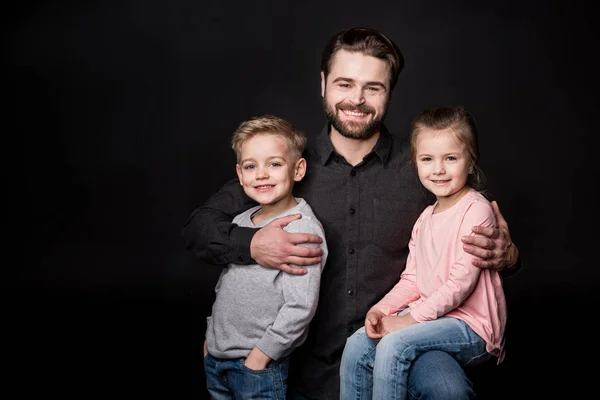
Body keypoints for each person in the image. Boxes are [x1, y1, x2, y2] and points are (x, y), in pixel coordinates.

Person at [182, 27, 520, 400]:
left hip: (401, 334)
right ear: (323, 84)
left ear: (389, 93)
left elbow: (477, 241)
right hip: (302, 352)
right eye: (345, 84)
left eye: (373, 87)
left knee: (448, 389)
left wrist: (507, 256)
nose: (357, 99)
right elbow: (199, 227)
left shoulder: (425, 166)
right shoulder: (285, 166)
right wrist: (253, 243)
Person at [339, 105, 507, 400]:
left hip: (472, 326)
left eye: (450, 158)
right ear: (415, 162)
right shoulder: (426, 218)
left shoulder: (475, 209)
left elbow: (460, 285)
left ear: (470, 162)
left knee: (394, 344)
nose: (438, 169)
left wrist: (408, 320)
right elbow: (412, 279)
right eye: (427, 159)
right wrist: (381, 310)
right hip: (433, 318)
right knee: (357, 344)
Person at [202, 115, 329, 399]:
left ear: (298, 170)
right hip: (217, 358)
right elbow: (227, 283)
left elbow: (300, 306)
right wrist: (211, 335)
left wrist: (261, 356)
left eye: (274, 164)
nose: (261, 174)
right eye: (251, 166)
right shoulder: (242, 221)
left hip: (256, 366)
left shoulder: (301, 227)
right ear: (240, 174)